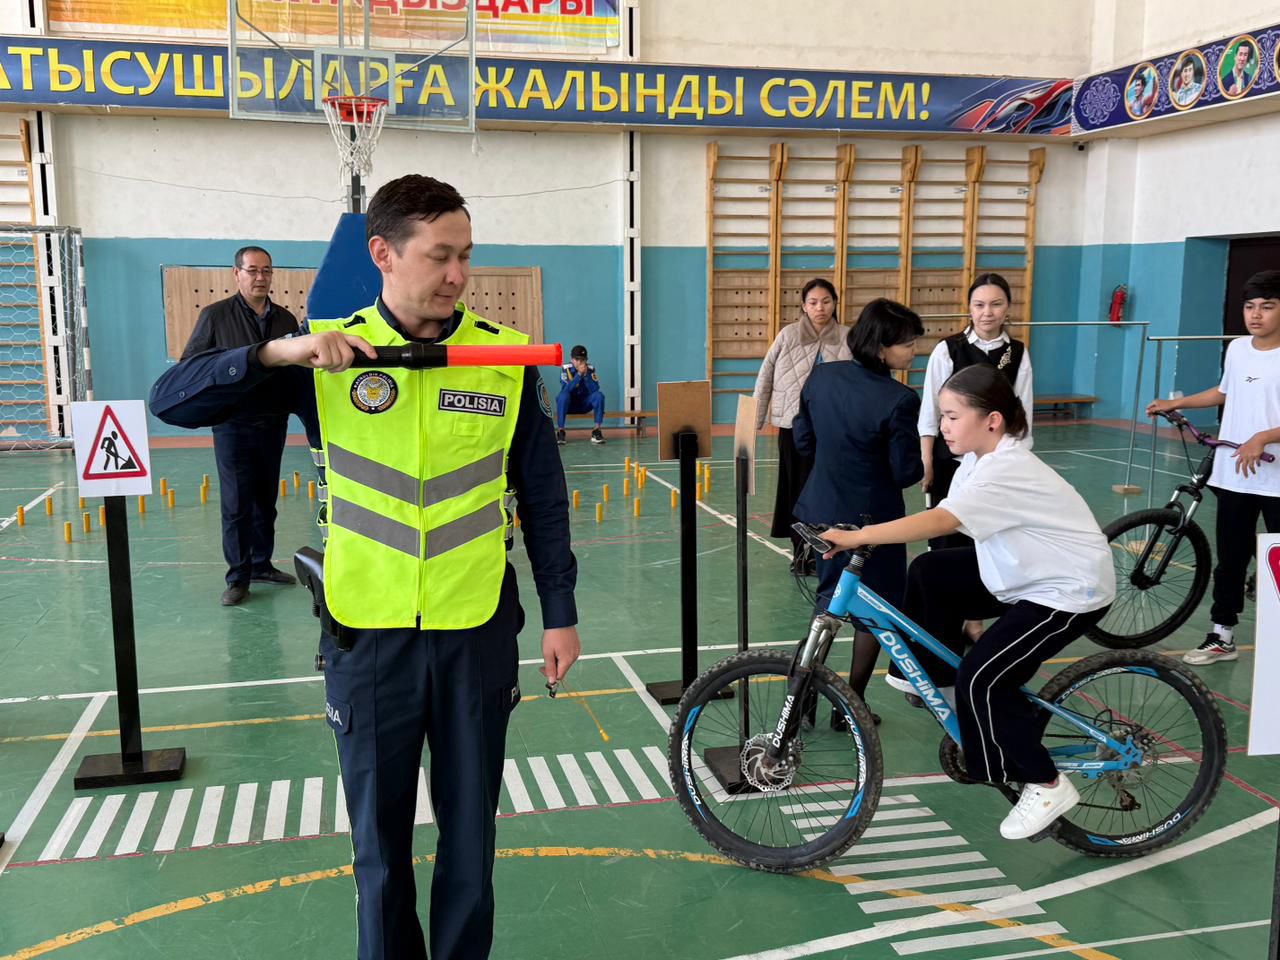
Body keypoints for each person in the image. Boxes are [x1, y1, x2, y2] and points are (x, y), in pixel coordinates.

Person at [150, 174, 581, 960]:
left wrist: (560, 611)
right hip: (366, 638)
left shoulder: (502, 358)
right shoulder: (324, 356)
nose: (459, 275)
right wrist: (278, 351)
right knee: (378, 853)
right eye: (441, 256)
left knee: (471, 847)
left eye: (466, 255)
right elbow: (171, 400)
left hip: (476, 632)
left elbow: (543, 496)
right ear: (383, 254)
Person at [821, 363, 1115, 840]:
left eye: (953, 416)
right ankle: (940, 685)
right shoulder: (976, 463)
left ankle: (1046, 783)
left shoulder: (1007, 469)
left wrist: (862, 536)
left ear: (992, 420)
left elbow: (941, 521)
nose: (943, 426)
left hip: (1067, 589)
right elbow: (949, 523)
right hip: (1025, 571)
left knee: (983, 677)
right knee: (930, 571)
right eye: (942, 415)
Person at [792, 298, 924, 724]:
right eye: (908, 343)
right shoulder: (900, 399)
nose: (914, 350)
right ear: (882, 348)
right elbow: (906, 472)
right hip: (872, 521)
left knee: (827, 602)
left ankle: (802, 699)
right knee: (877, 611)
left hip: (821, 508)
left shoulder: (822, 376)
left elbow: (803, 440)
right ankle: (850, 704)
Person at [1147, 269, 1280, 666]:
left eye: (1267, 306)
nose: (1256, 315)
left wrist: (1263, 437)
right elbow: (1224, 392)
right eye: (1250, 306)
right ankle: (1222, 635)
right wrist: (1177, 402)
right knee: (1231, 560)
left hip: (1275, 479)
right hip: (1235, 474)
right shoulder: (1237, 349)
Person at [180, 245, 300, 606]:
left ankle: (262, 564)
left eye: (266, 271)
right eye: (252, 270)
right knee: (236, 504)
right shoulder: (215, 316)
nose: (260, 277)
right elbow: (192, 364)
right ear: (237, 274)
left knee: (266, 500)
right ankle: (238, 577)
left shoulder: (286, 320)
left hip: (273, 422)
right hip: (232, 424)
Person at [919, 272, 1033, 550]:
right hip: (950, 460)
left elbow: (1023, 416)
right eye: (979, 305)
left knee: (989, 539)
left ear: (1008, 307)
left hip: (995, 464)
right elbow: (930, 411)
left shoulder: (1017, 353)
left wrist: (1017, 462)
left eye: (996, 304)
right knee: (946, 538)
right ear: (969, 307)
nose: (987, 313)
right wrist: (927, 460)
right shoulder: (948, 349)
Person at [753, 278, 851, 572]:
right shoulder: (788, 335)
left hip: (834, 429)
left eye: (826, 301)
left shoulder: (848, 337)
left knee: (830, 489)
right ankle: (799, 552)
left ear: (835, 303)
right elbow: (765, 377)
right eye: (813, 302)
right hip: (793, 427)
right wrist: (754, 421)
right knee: (795, 489)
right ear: (803, 306)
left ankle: (827, 551)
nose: (820, 308)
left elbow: (860, 380)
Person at [555, 343, 606, 445]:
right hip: (569, 406)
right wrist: (578, 375)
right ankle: (561, 431)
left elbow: (595, 390)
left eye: (582, 360)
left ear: (586, 360)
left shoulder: (590, 369)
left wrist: (586, 375)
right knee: (562, 396)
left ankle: (596, 431)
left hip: (584, 405)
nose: (579, 362)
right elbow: (565, 390)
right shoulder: (566, 369)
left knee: (599, 395)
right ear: (572, 359)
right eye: (577, 359)